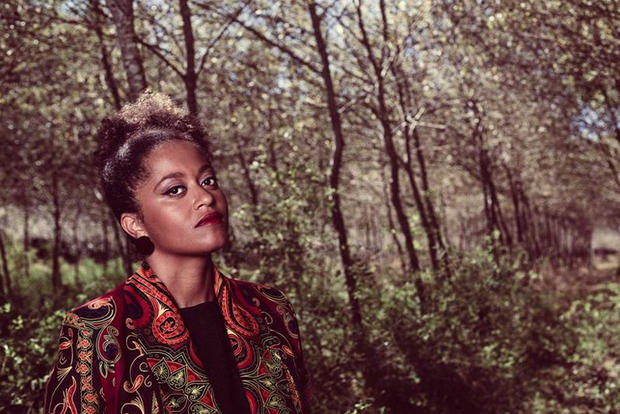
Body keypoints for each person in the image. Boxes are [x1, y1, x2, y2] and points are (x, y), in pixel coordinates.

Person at [44, 92, 310, 413]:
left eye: (208, 180)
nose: (206, 198)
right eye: (175, 190)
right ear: (134, 223)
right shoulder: (97, 329)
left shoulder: (270, 308)